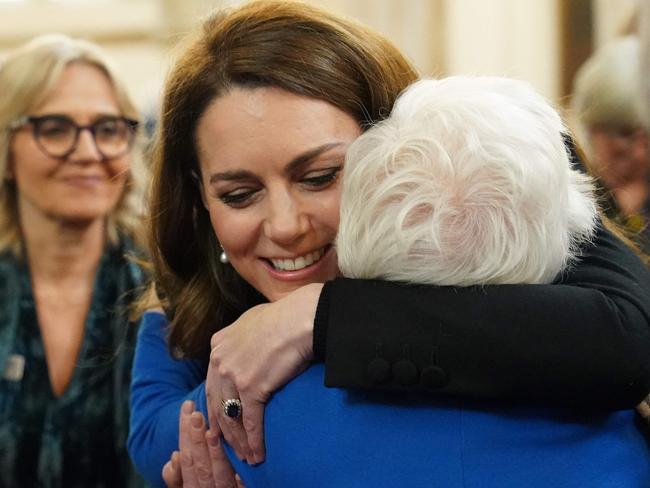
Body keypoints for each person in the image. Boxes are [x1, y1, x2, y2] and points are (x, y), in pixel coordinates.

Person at [127, 1, 650, 486]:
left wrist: (321, 317)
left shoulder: (508, 182)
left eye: (320, 176)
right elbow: (154, 435)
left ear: (399, 149)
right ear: (199, 197)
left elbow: (626, 338)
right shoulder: (188, 309)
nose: (285, 225)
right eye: (239, 194)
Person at [0, 34, 148, 487]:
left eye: (107, 129)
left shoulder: (175, 287)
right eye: (56, 128)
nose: (87, 153)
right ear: (6, 151)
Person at [571, 36, 650, 252]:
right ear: (592, 129)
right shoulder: (572, 199)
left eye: (648, 138)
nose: (640, 154)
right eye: (625, 135)